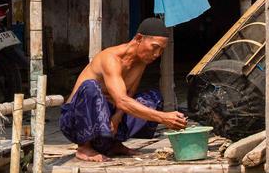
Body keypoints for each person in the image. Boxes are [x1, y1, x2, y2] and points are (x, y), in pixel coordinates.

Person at [59, 17, 188, 162]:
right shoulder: (110, 58)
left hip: (107, 118)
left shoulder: (141, 62)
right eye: (155, 47)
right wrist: (163, 117)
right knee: (91, 87)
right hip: (74, 122)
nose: (157, 54)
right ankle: (84, 147)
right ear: (139, 38)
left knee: (153, 98)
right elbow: (121, 100)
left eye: (161, 50)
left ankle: (113, 144)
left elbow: (129, 94)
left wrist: (117, 118)